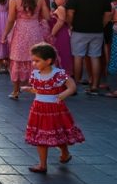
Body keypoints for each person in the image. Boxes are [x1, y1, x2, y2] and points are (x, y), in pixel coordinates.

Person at [21, 43, 84, 174]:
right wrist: (30, 89)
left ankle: (65, 153)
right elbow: (38, 89)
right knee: (41, 136)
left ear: (48, 61)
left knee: (56, 133)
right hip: (38, 108)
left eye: (37, 61)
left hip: (55, 109)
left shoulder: (59, 74)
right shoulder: (35, 74)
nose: (34, 63)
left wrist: (63, 94)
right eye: (33, 60)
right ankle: (42, 164)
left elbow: (72, 86)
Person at [64, 0, 113, 95]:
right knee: (95, 57)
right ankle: (95, 85)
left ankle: (76, 84)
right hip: (97, 31)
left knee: (78, 56)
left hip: (79, 30)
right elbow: (108, 14)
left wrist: (70, 25)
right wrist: (100, 25)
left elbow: (70, 13)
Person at [4, 0, 50, 99]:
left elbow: (10, 20)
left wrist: (5, 34)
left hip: (20, 32)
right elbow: (47, 16)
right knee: (36, 59)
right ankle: (38, 89)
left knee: (17, 59)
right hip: (35, 31)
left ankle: (15, 91)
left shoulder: (14, 0)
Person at [48, 0, 74, 75]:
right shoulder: (61, 8)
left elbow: (60, 22)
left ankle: (63, 75)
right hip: (61, 33)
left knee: (62, 54)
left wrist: (52, 34)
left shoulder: (61, 8)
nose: (55, 0)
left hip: (60, 34)